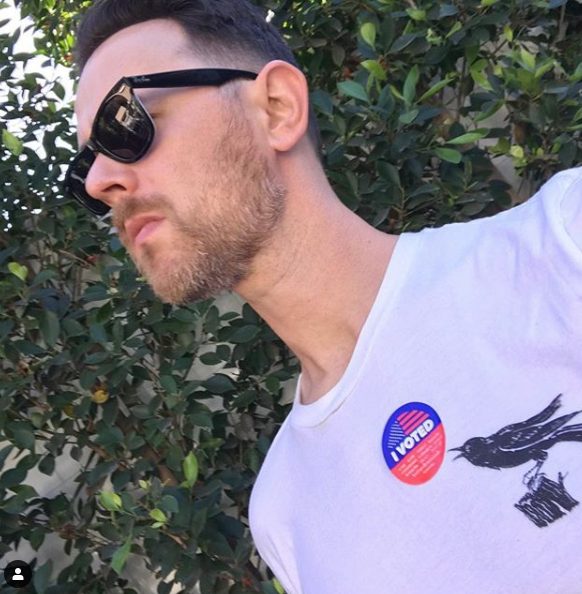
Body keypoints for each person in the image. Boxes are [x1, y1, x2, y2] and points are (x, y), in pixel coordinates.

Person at [65, 1, 582, 592]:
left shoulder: (560, 246)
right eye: (86, 162)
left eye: (126, 123)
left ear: (276, 108)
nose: (98, 182)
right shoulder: (285, 511)